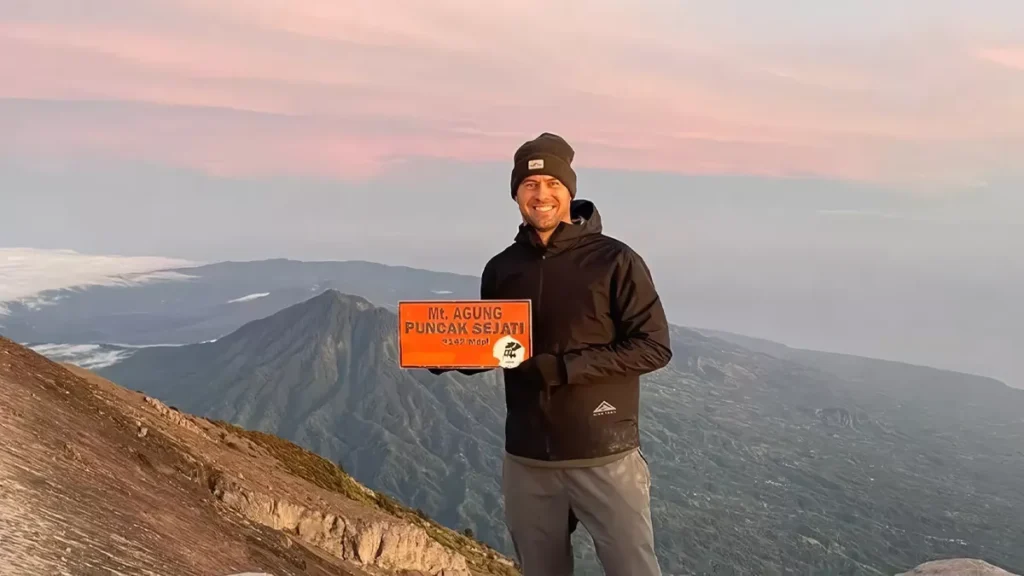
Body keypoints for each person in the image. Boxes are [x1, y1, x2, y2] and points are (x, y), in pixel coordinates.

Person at [433, 132, 672, 576]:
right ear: (516, 194)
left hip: (604, 453)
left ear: (569, 191)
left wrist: (565, 369)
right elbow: (498, 345)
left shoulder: (615, 260)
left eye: (552, 185)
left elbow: (654, 346)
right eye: (529, 185)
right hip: (527, 459)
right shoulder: (503, 268)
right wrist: (455, 355)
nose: (541, 195)